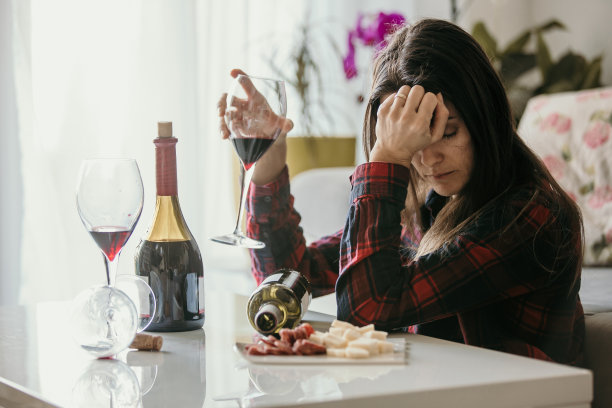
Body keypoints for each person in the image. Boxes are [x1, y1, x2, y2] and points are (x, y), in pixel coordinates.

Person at [217, 19, 585, 365]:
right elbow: (292, 276)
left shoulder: (529, 216)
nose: (427, 159)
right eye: (414, 140)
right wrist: (269, 165)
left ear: (484, 115)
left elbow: (364, 310)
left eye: (448, 132)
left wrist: (388, 157)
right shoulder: (432, 204)